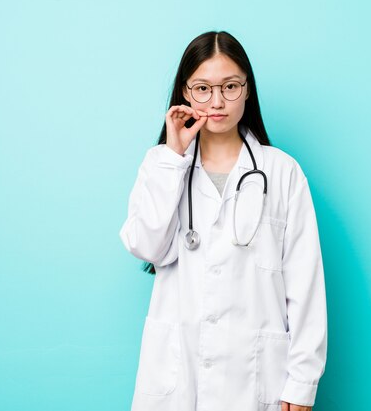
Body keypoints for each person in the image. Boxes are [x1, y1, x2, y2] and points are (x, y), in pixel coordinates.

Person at [119, 30, 327, 411]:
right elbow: (146, 247)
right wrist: (173, 158)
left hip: (255, 378)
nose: (217, 101)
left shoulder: (281, 172)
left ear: (247, 90)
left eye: (230, 86)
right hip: (177, 375)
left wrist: (301, 382)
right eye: (203, 88)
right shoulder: (161, 165)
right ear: (185, 92)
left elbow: (305, 283)